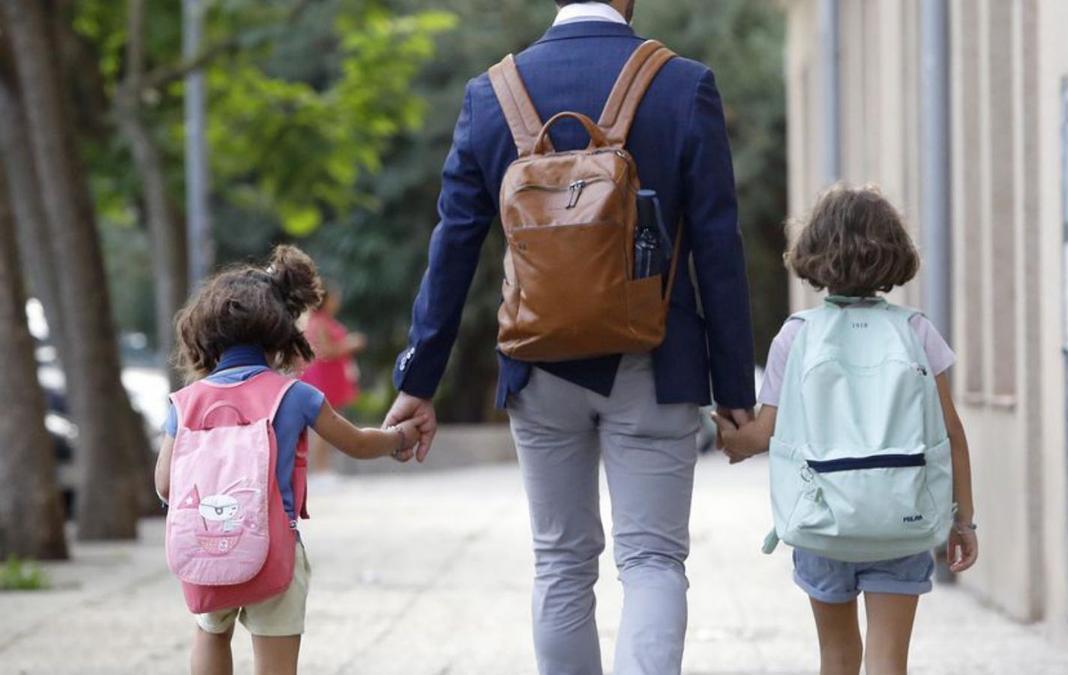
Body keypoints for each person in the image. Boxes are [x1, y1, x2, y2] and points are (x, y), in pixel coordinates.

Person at [384, 1, 757, 673]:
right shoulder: (683, 84)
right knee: (652, 559)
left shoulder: (491, 96)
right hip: (656, 360)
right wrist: (734, 389)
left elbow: (455, 249)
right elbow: (717, 246)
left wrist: (418, 379)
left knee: (560, 561)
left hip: (538, 364)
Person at [713, 185, 979, 675]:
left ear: (814, 251)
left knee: (836, 657)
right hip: (902, 519)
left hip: (823, 523)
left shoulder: (797, 335)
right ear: (893, 253)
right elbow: (952, 433)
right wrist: (963, 523)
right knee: (888, 661)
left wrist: (730, 438)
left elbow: (762, 434)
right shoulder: (917, 331)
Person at [155, 245, 418, 675]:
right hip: (274, 550)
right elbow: (355, 442)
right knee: (275, 649)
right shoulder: (294, 395)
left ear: (203, 333)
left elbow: (165, 483)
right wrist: (397, 438)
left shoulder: (184, 403)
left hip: (206, 544)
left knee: (210, 632)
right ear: (281, 331)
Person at [300, 283, 365, 475]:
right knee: (327, 422)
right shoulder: (318, 322)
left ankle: (323, 467)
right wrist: (350, 344)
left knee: (331, 419)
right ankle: (320, 469)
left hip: (331, 375)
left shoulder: (322, 321)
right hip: (324, 377)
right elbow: (326, 351)